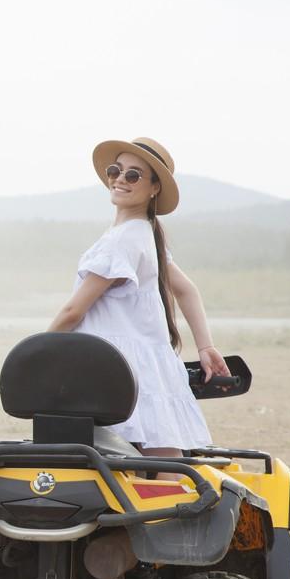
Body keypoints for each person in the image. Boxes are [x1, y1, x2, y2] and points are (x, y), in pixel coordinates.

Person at [48, 137, 230, 459]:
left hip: (115, 367)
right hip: (143, 366)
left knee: (129, 466)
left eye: (133, 174)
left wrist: (40, 350)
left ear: (154, 188)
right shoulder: (141, 233)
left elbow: (74, 310)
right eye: (115, 170)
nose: (120, 178)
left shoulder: (123, 240)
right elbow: (186, 289)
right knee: (161, 464)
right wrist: (205, 346)